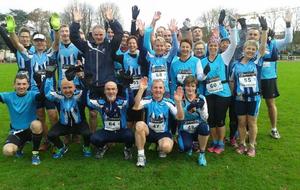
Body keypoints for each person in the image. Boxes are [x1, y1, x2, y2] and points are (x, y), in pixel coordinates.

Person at [6, 14, 60, 151]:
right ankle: (47, 140)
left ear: (45, 42)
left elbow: (57, 43)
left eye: (42, 41)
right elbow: (18, 45)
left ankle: (56, 140)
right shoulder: (29, 55)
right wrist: (11, 31)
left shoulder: (49, 53)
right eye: (37, 41)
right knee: (40, 116)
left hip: (50, 91)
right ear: (34, 43)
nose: (40, 43)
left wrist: (56, 29)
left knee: (53, 115)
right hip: (35, 92)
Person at [70, 7, 123, 133]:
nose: (98, 37)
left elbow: (119, 34)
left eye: (101, 34)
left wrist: (112, 21)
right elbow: (74, 37)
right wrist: (76, 23)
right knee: (93, 114)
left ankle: (111, 136)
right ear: (92, 35)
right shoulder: (86, 46)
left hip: (107, 85)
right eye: (96, 35)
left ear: (104, 34)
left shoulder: (110, 46)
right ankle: (93, 137)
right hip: (92, 85)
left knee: (110, 111)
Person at [231, 22, 268, 157]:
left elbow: (263, 47)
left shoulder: (257, 61)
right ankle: (242, 144)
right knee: (241, 122)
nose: (251, 51)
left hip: (254, 98)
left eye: (253, 49)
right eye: (249, 49)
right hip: (240, 98)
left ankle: (252, 145)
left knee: (251, 122)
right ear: (244, 49)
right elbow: (232, 81)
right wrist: (232, 94)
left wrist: (264, 30)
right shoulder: (236, 65)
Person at [201, 17, 237, 154]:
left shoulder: (224, 57)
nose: (213, 48)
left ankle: (221, 143)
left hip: (223, 93)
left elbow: (233, 45)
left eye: (215, 45)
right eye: (211, 45)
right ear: (208, 47)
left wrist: (232, 29)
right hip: (209, 93)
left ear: (218, 47)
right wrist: (204, 74)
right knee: (211, 119)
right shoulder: (202, 61)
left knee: (220, 120)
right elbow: (200, 77)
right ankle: (214, 141)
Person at [133, 78, 184, 167]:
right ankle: (141, 155)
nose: (158, 90)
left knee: (166, 148)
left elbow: (180, 117)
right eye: (155, 88)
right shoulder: (147, 99)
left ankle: (160, 147)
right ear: (151, 89)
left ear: (164, 90)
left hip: (163, 133)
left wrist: (179, 103)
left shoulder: (168, 102)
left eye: (160, 88)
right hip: (150, 132)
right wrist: (141, 90)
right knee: (139, 125)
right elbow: (136, 107)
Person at [260, 10, 293, 139]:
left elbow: (288, 39)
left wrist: (288, 24)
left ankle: (274, 129)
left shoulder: (274, 44)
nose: (265, 32)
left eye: (266, 30)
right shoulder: (256, 44)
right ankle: (249, 130)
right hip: (255, 78)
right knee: (254, 106)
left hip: (269, 79)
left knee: (270, 104)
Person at [44, 74, 92, 159]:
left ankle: (86, 146)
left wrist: (82, 79)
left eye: (70, 87)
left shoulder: (79, 95)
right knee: (51, 135)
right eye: (64, 88)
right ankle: (61, 147)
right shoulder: (58, 96)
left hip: (79, 124)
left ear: (74, 87)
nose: (67, 90)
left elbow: (87, 91)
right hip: (64, 125)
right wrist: (49, 78)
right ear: (60, 89)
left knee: (87, 133)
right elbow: (48, 94)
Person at [0, 72, 43, 165]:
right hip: (17, 131)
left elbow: (42, 96)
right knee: (7, 151)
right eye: (18, 84)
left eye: (24, 84)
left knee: (37, 124)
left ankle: (35, 153)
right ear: (14, 85)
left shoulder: (32, 95)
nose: (21, 86)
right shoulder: (8, 96)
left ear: (28, 85)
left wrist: (40, 83)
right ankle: (19, 148)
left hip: (30, 130)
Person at [88, 81, 135, 160]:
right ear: (104, 91)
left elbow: (131, 102)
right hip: (107, 132)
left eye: (113, 89)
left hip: (121, 131)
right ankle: (103, 147)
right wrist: (88, 87)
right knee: (94, 138)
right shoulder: (101, 102)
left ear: (117, 90)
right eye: (108, 89)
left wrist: (127, 86)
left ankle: (127, 149)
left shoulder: (122, 102)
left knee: (130, 136)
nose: (111, 92)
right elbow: (88, 102)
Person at [143, 12, 179, 96]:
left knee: (165, 108)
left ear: (165, 47)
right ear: (154, 47)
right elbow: (145, 42)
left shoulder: (167, 57)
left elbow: (175, 48)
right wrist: (153, 21)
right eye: (157, 46)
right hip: (150, 89)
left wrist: (173, 33)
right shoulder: (150, 56)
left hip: (164, 89)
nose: (159, 48)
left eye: (161, 46)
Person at [178, 76, 210, 166]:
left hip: (198, 127)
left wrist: (200, 109)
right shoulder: (181, 98)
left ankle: (202, 154)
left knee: (205, 127)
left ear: (196, 87)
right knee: (184, 147)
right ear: (184, 86)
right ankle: (191, 145)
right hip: (185, 128)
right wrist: (188, 108)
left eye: (193, 86)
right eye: (188, 86)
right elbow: (178, 116)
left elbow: (205, 118)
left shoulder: (201, 98)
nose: (190, 88)